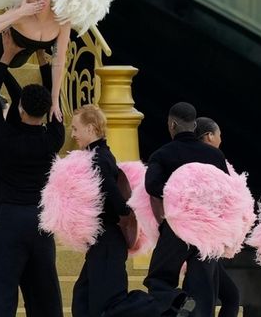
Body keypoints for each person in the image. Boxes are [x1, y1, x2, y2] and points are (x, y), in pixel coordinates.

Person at [0, 30, 65, 317]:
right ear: (49, 111)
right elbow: (53, 98)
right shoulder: (53, 137)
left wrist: (5, 58)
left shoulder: (6, 139)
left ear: (18, 108)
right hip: (42, 221)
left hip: (10, 218)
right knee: (45, 292)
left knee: (3, 291)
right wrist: (44, 57)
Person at [143, 102, 229, 317]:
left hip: (177, 227)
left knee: (158, 279)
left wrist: (178, 191)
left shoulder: (162, 154)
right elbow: (228, 192)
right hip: (207, 230)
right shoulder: (215, 156)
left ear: (172, 124)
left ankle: (179, 300)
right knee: (204, 288)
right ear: (194, 125)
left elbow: (151, 186)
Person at [69, 104, 132, 317]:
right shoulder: (101, 154)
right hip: (103, 239)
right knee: (83, 296)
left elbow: (112, 193)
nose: (73, 134)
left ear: (90, 128)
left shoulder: (98, 158)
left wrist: (126, 213)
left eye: (76, 129)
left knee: (100, 304)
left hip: (107, 239)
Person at [194, 117, 239, 317]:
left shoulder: (187, 156)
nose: (221, 139)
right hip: (207, 237)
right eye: (219, 134)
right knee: (211, 298)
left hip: (193, 234)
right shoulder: (213, 156)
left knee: (225, 295)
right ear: (209, 136)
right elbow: (225, 195)